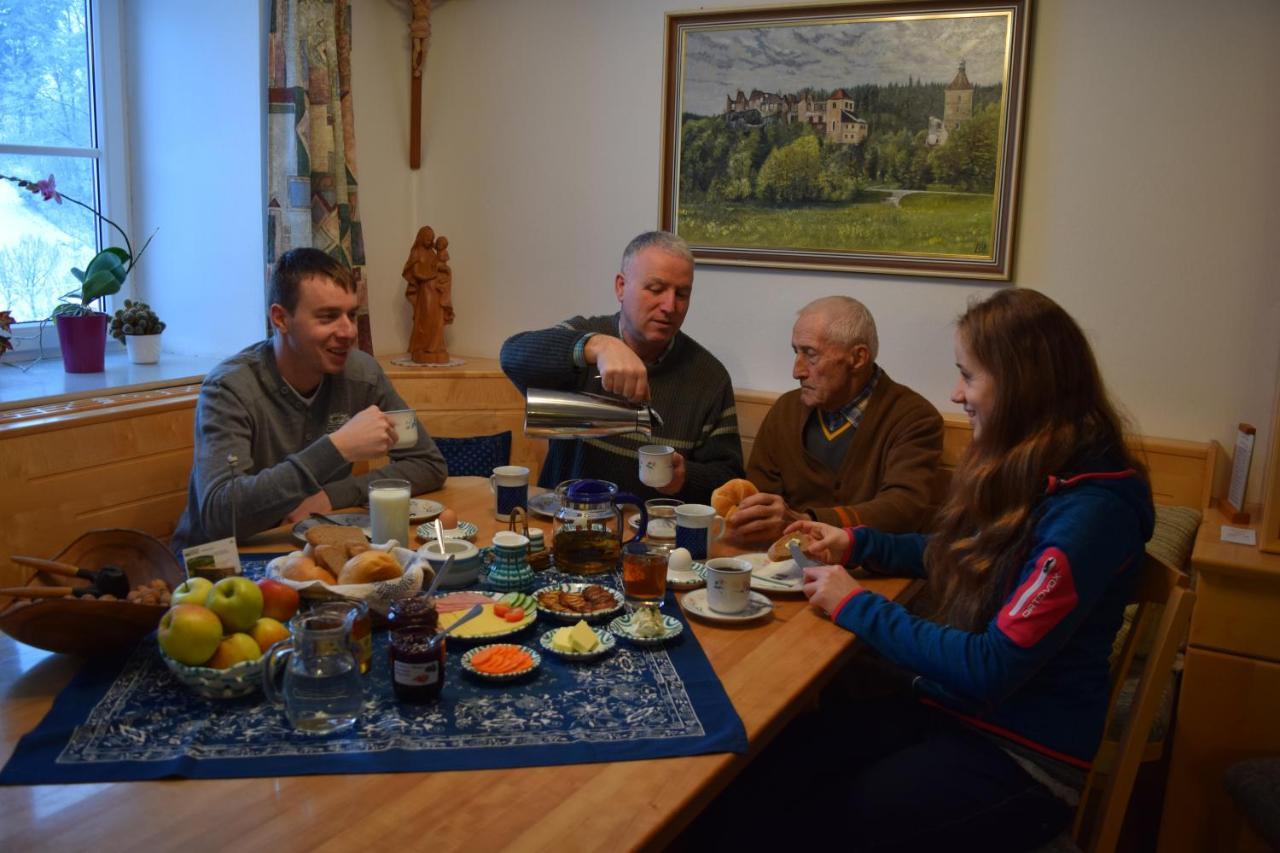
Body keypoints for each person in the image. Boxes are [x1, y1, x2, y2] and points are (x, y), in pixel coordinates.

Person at [771, 288, 1154, 848]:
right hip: (961, 714)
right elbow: (957, 550)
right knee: (784, 756)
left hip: (1023, 758)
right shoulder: (1044, 470)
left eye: (968, 376)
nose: (956, 393)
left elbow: (990, 665)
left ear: (1023, 385)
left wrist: (857, 605)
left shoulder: (1091, 512)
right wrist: (856, 543)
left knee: (839, 813)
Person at [171, 248, 448, 555]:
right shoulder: (229, 389)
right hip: (217, 567)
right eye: (328, 316)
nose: (349, 331)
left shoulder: (362, 374)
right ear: (280, 318)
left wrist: (333, 495)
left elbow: (427, 463)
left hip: (311, 554)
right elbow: (219, 515)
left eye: (352, 314)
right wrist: (337, 449)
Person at [499, 230, 743, 502]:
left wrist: (685, 477)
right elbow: (512, 355)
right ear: (621, 286)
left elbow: (729, 479)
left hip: (653, 533)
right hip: (565, 521)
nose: (670, 306)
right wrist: (598, 347)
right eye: (656, 289)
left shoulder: (710, 378)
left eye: (682, 294)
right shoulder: (584, 335)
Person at [728, 296, 942, 546]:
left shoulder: (913, 418)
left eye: (810, 354)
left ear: (858, 358)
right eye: (796, 352)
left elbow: (902, 508)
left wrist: (805, 520)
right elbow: (759, 494)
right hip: (782, 564)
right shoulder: (785, 410)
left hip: (872, 570)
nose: (797, 371)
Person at [403, 225, 454, 364]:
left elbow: (441, 265)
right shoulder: (416, 252)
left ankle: (436, 346)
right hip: (425, 293)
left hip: (436, 292)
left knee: (437, 320)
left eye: (431, 239)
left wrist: (442, 272)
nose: (430, 242)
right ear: (421, 238)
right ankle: (423, 347)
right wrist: (433, 272)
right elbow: (416, 272)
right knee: (425, 319)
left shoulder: (432, 252)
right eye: (427, 239)